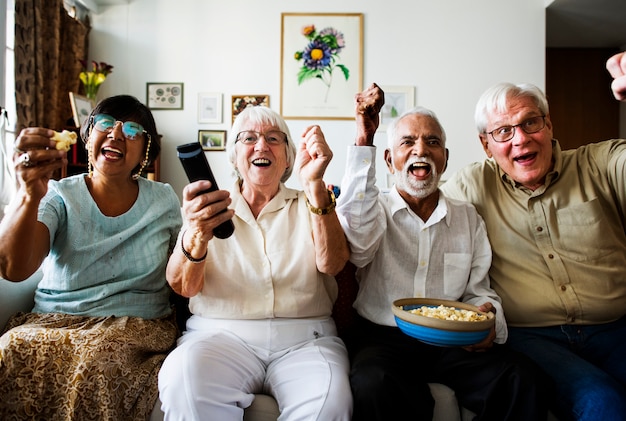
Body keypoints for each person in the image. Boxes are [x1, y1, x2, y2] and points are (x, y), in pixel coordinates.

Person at [335, 83, 552, 421]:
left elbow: (479, 291)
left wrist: (489, 319)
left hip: (451, 340)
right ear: (390, 160)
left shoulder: (467, 218)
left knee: (519, 377)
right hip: (383, 338)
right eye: (408, 142)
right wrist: (365, 138)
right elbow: (358, 244)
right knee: (373, 383)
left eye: (432, 142)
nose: (421, 150)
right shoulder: (372, 208)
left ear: (445, 159)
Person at [440, 51, 626, 420]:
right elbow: (417, 217)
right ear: (486, 145)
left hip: (616, 329)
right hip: (534, 337)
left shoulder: (601, 164)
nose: (520, 139)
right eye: (503, 132)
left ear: (550, 124)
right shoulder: (472, 185)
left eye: (531, 123)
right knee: (603, 404)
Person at [158, 105, 352, 420]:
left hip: (306, 339)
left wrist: (315, 185)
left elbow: (333, 264)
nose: (261, 146)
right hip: (218, 335)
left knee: (329, 402)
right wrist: (196, 233)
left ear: (289, 158)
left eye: (273, 139)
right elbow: (184, 286)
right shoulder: (208, 208)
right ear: (234, 157)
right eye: (249, 138)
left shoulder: (313, 202)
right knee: (184, 381)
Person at [0, 95, 182, 420]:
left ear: (146, 150)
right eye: (106, 124)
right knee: (12, 347)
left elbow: (182, 273)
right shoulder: (57, 194)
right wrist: (28, 195)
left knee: (100, 357)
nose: (115, 135)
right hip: (54, 320)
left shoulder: (164, 200)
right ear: (87, 138)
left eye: (132, 129)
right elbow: (16, 268)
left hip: (133, 326)